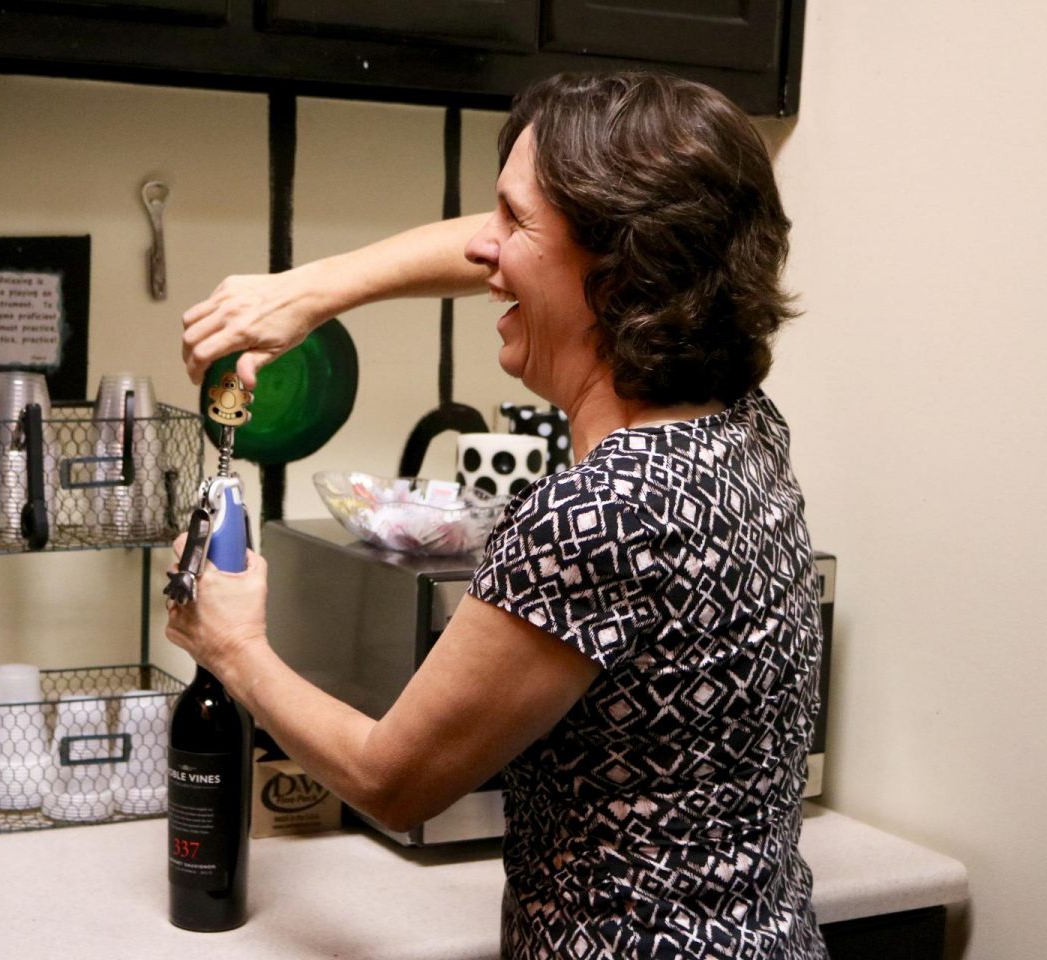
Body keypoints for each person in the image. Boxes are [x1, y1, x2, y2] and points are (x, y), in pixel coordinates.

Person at [166, 71, 826, 959]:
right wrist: (313, 290)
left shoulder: (600, 515)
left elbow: (389, 780)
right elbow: (532, 241)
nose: (481, 249)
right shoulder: (741, 423)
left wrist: (232, 647)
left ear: (618, 266)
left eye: (512, 219)